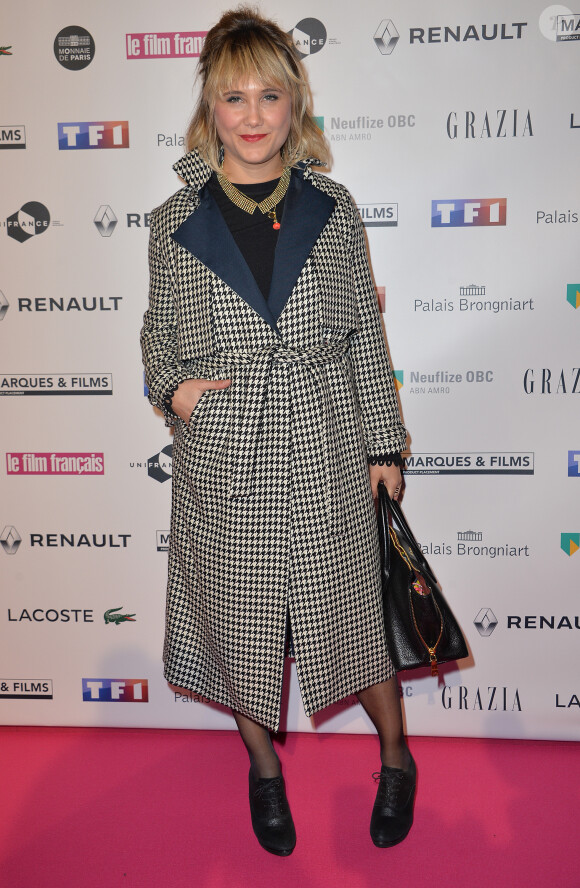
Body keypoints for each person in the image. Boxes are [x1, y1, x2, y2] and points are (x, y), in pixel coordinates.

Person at [141, 6, 414, 856]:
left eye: (269, 95)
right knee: (240, 627)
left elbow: (364, 335)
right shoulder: (170, 223)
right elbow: (159, 332)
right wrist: (174, 390)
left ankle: (397, 758)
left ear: (295, 104)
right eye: (234, 97)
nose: (253, 116)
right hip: (228, 452)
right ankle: (263, 767)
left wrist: (382, 444)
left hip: (328, 441)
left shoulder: (333, 207)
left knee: (351, 621)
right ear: (209, 109)